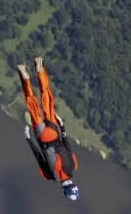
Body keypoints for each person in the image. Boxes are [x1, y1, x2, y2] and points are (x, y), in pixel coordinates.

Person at [16, 58, 82, 198]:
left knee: (47, 98)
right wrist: (28, 139)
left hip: (55, 132)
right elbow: (39, 157)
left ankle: (39, 68)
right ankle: (23, 71)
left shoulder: (73, 167)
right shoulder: (50, 176)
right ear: (64, 191)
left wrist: (62, 127)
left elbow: (67, 145)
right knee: (32, 102)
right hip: (42, 137)